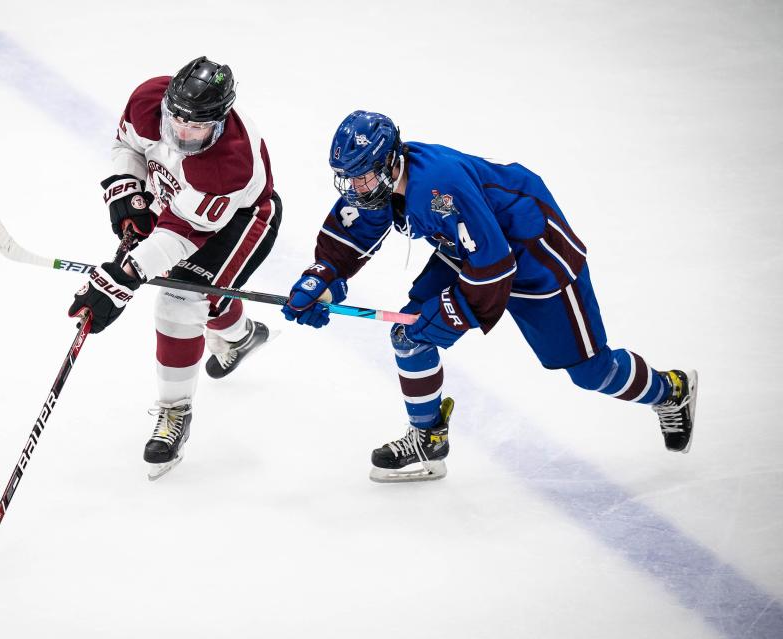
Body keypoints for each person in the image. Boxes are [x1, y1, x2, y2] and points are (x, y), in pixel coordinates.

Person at [281, 110, 698, 483]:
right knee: (411, 336)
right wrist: (324, 275)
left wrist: (454, 312)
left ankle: (671, 390)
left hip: (536, 256)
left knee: (590, 370)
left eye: (362, 176)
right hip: (475, 251)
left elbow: (496, 266)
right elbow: (353, 230)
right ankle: (428, 438)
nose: (354, 187)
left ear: (389, 161)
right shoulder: (384, 181)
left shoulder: (438, 187)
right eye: (348, 176)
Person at [68, 57, 281, 480]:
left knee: (181, 299)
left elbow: (180, 235)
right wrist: (128, 193)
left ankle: (174, 411)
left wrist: (123, 278)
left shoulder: (229, 163)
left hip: (240, 220)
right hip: (180, 201)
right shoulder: (149, 98)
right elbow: (128, 147)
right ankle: (240, 337)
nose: (182, 132)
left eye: (196, 127)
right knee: (210, 303)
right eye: (176, 119)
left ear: (218, 122)